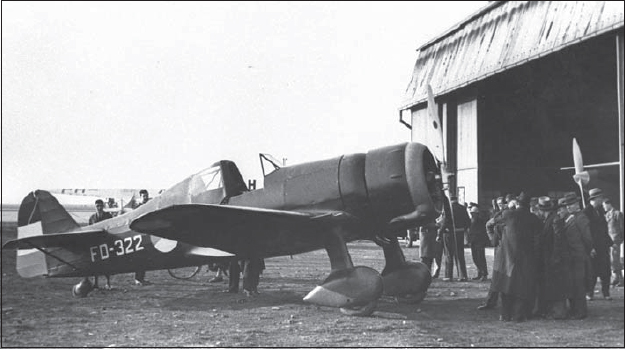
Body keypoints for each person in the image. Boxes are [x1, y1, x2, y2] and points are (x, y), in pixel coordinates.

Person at [489, 192, 541, 322]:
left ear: (517, 203)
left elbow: (490, 223)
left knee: (507, 286)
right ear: (529, 204)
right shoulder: (533, 218)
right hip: (526, 257)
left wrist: (497, 241)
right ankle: (518, 315)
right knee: (522, 287)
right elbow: (540, 234)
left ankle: (505, 315)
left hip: (508, 256)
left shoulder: (508, 215)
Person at [553, 192, 593, 319]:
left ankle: (581, 312)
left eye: (571, 204)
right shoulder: (571, 217)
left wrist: (585, 251)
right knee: (574, 284)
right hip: (572, 256)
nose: (568, 207)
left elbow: (587, 238)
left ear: (577, 205)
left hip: (578, 255)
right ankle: (576, 310)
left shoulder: (581, 217)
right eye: (567, 205)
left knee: (579, 285)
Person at [536, 196, 568, 319]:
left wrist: (555, 258)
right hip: (549, 258)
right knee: (550, 285)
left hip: (553, 259)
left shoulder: (554, 220)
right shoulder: (551, 219)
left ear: (542, 210)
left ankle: (557, 313)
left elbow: (558, 241)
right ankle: (551, 311)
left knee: (555, 286)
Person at [477, 195, 509, 310]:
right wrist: (493, 240)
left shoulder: (509, 214)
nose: (502, 206)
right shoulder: (499, 215)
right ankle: (491, 301)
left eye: (503, 204)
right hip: (501, 249)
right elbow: (489, 225)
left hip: (508, 249)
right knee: (497, 275)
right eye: (500, 204)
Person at [583, 188, 613, 300]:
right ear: (594, 199)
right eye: (600, 198)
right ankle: (589, 293)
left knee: (606, 271)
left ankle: (606, 293)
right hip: (593, 248)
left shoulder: (600, 211)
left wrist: (610, 242)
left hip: (603, 247)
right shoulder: (586, 212)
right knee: (592, 272)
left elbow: (604, 229)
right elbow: (585, 233)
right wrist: (590, 247)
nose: (602, 200)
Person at [440, 196, 469, 281]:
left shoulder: (448, 208)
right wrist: (463, 228)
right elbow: (468, 222)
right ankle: (462, 276)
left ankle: (449, 275)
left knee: (449, 254)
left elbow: (445, 221)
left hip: (449, 233)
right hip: (459, 233)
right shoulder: (463, 208)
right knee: (460, 254)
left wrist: (440, 232)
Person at [88, 199, 113, 289]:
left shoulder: (108, 216)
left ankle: (108, 283)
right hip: (95, 243)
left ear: (103, 206)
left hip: (106, 242)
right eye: (97, 206)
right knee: (95, 263)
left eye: (100, 206)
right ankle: (95, 283)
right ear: (95, 207)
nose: (99, 208)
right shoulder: (92, 218)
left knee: (107, 264)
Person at [603, 198, 624, 286]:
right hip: (608, 240)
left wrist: (621, 238)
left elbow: (622, 227)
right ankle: (618, 279)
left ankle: (618, 279)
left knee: (614, 260)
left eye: (604, 205)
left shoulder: (617, 214)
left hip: (615, 239)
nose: (604, 207)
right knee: (612, 260)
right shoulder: (606, 215)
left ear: (609, 204)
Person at [133, 189, 151, 286]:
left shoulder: (150, 206)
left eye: (146, 195)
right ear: (140, 197)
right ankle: (137, 279)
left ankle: (141, 278)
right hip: (138, 235)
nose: (145, 197)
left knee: (145, 258)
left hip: (147, 235)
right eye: (143, 196)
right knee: (139, 257)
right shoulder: (138, 208)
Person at [468, 206, 489, 281]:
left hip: (479, 242)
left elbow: (482, 232)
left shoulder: (480, 221)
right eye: (471, 213)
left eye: (473, 213)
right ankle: (479, 273)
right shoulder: (471, 220)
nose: (472, 215)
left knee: (481, 258)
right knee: (475, 258)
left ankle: (484, 274)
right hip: (473, 242)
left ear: (477, 213)